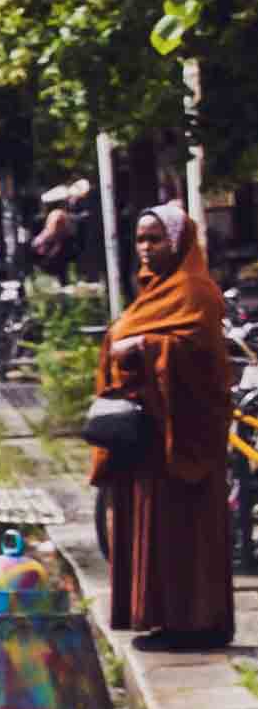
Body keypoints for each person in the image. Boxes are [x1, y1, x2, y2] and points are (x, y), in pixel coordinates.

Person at [97, 200, 235, 654]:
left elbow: (197, 354)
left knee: (184, 528)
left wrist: (144, 345)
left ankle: (194, 622)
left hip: (184, 434)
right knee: (153, 527)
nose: (145, 248)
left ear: (177, 242)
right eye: (140, 239)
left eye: (155, 239)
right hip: (149, 434)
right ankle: (162, 617)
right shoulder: (155, 290)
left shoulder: (196, 290)